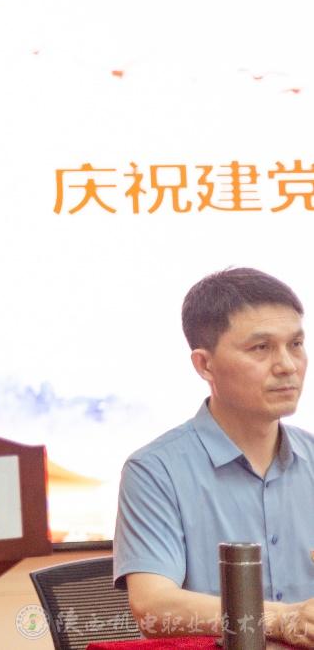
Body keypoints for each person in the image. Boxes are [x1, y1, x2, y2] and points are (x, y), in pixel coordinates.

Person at [113, 267, 314, 646]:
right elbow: (153, 607)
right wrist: (282, 619)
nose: (287, 365)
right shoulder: (155, 471)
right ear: (205, 365)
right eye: (261, 348)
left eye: (296, 344)